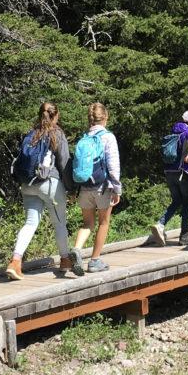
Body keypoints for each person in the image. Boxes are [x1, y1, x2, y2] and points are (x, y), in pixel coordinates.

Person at [6, 102, 74, 279]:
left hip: (28, 184)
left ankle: (15, 261)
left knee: (30, 223)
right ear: (56, 116)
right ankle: (65, 260)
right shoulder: (56, 133)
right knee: (59, 222)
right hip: (49, 183)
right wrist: (71, 188)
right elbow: (65, 163)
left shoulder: (31, 134)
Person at [71, 102, 121, 275]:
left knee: (87, 223)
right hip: (103, 187)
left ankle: (77, 249)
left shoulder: (84, 138)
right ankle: (94, 261)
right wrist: (117, 188)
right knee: (103, 222)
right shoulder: (108, 137)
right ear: (105, 117)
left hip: (84, 187)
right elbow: (113, 166)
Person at [150, 109, 188, 247]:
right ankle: (184, 236)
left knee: (176, 200)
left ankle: (160, 224)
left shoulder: (174, 130)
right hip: (183, 172)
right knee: (187, 202)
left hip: (169, 171)